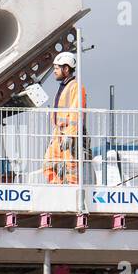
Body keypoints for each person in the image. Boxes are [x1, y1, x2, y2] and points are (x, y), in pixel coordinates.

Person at [42, 51, 85, 185]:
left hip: (70, 137)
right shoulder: (64, 87)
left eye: (56, 68)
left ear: (66, 69)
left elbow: (76, 113)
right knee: (48, 165)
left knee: (71, 169)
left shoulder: (76, 87)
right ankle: (58, 188)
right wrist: (54, 136)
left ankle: (72, 194)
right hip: (59, 136)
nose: (54, 71)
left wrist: (70, 135)